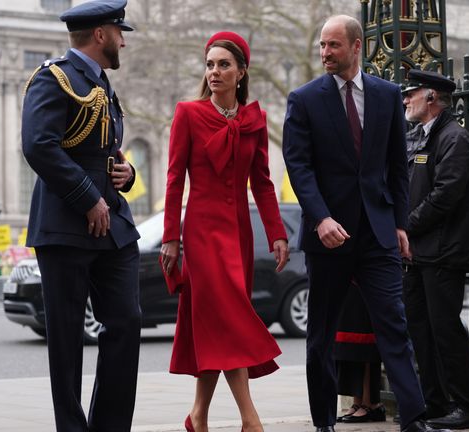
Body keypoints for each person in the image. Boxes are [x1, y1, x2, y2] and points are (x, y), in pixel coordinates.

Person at [282, 15, 448, 432]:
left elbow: (396, 166)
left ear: (356, 47)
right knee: (320, 334)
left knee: (394, 325)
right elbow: (299, 167)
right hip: (329, 238)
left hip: (377, 236)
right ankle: (323, 422)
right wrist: (320, 219)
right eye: (322, 45)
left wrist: (399, 224)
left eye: (333, 45)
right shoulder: (304, 99)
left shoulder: (387, 94)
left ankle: (414, 419)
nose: (325, 53)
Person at [159, 31, 290, 432]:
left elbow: (264, 184)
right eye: (210, 64)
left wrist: (277, 233)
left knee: (217, 327)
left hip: (240, 237)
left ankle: (197, 416)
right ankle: (251, 420)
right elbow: (173, 179)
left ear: (241, 72)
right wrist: (170, 237)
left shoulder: (256, 120)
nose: (214, 71)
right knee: (230, 320)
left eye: (224, 65)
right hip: (201, 234)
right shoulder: (187, 113)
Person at [20, 1, 141, 430]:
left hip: (114, 225)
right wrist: (88, 197)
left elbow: (103, 149)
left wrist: (126, 174)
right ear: (102, 34)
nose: (124, 39)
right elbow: (38, 145)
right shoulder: (54, 78)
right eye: (119, 31)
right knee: (67, 339)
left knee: (126, 322)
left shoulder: (101, 83)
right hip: (66, 222)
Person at [401, 69, 469, 430]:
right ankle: (435, 403)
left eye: (411, 93)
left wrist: (406, 227)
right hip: (418, 252)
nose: (405, 100)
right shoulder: (416, 138)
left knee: (445, 329)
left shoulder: (456, 138)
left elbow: (445, 196)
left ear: (432, 97)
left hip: (445, 250)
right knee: (420, 329)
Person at [334, 282, 386, 424]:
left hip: (365, 278)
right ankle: (358, 401)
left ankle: (370, 403)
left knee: (364, 338)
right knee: (349, 341)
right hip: (347, 279)